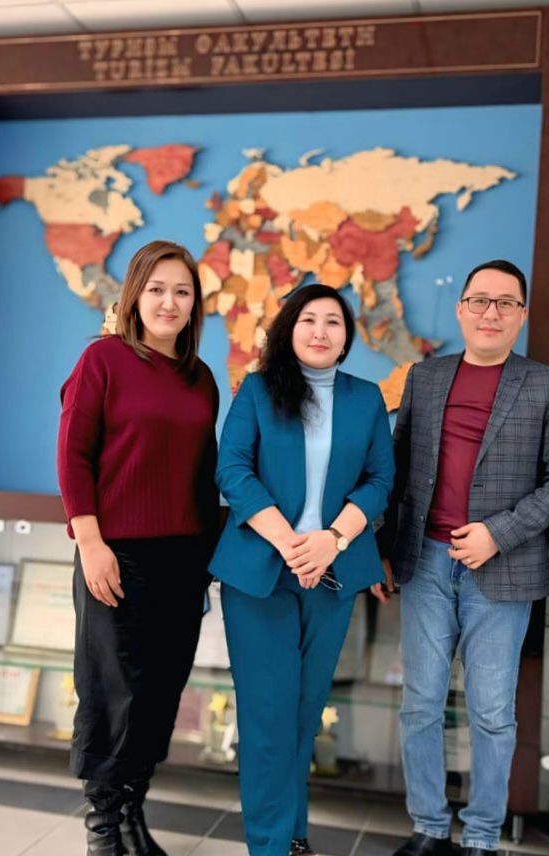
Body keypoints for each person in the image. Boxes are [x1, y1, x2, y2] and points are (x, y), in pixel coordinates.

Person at [376, 260, 549, 856]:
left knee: (492, 712)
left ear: (521, 315)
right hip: (425, 562)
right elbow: (397, 470)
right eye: (479, 301)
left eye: (505, 303)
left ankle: (483, 835)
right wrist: (384, 549)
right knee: (420, 703)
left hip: (502, 568)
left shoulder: (547, 385)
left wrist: (498, 533)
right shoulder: (425, 378)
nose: (491, 312)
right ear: (461, 309)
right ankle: (428, 826)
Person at [210, 283, 394, 856]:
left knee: (304, 715)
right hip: (262, 574)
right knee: (268, 719)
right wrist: (292, 543)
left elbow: (380, 481)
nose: (320, 331)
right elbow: (232, 469)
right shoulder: (258, 390)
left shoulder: (366, 398)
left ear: (347, 336)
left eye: (333, 321)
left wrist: (332, 540)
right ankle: (271, 846)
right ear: (289, 329)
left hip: (332, 572)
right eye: (308, 319)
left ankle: (292, 836)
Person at [58, 240, 219, 856]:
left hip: (183, 561)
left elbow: (202, 473)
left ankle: (131, 815)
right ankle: (103, 827)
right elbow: (73, 454)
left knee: (159, 692)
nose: (168, 302)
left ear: (195, 303)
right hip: (115, 555)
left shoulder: (201, 379)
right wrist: (90, 542)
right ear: (134, 295)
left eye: (182, 291)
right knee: (112, 690)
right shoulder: (102, 359)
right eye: (156, 289)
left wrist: (207, 562)